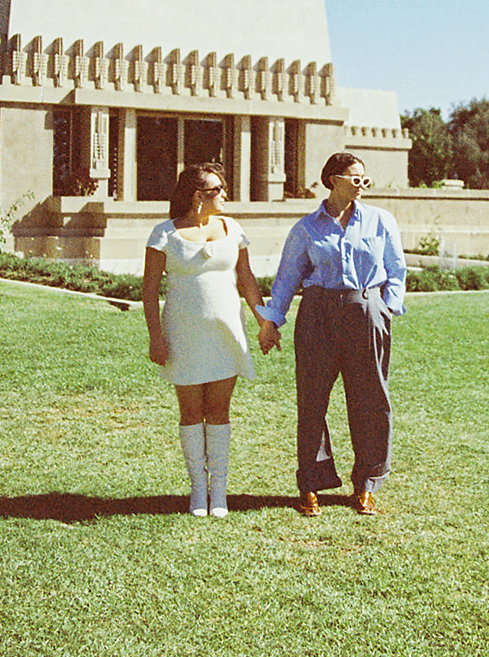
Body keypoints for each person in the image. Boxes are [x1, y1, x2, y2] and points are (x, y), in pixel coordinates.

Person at [257, 152, 406, 517]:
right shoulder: (307, 228)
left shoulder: (380, 221)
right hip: (317, 315)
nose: (362, 186)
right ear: (333, 180)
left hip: (366, 312)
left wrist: (387, 306)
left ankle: (367, 484)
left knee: (371, 400)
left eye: (365, 180)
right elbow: (287, 278)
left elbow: (396, 269)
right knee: (312, 400)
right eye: (355, 179)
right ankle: (311, 483)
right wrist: (271, 321)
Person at [143, 163, 277, 517]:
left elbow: (247, 280)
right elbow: (148, 291)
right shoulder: (164, 234)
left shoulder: (232, 228)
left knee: (218, 411)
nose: (224, 195)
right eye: (217, 190)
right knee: (191, 412)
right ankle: (196, 491)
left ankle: (218, 491)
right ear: (197, 195)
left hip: (225, 331)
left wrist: (265, 321)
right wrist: (156, 338)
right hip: (183, 334)